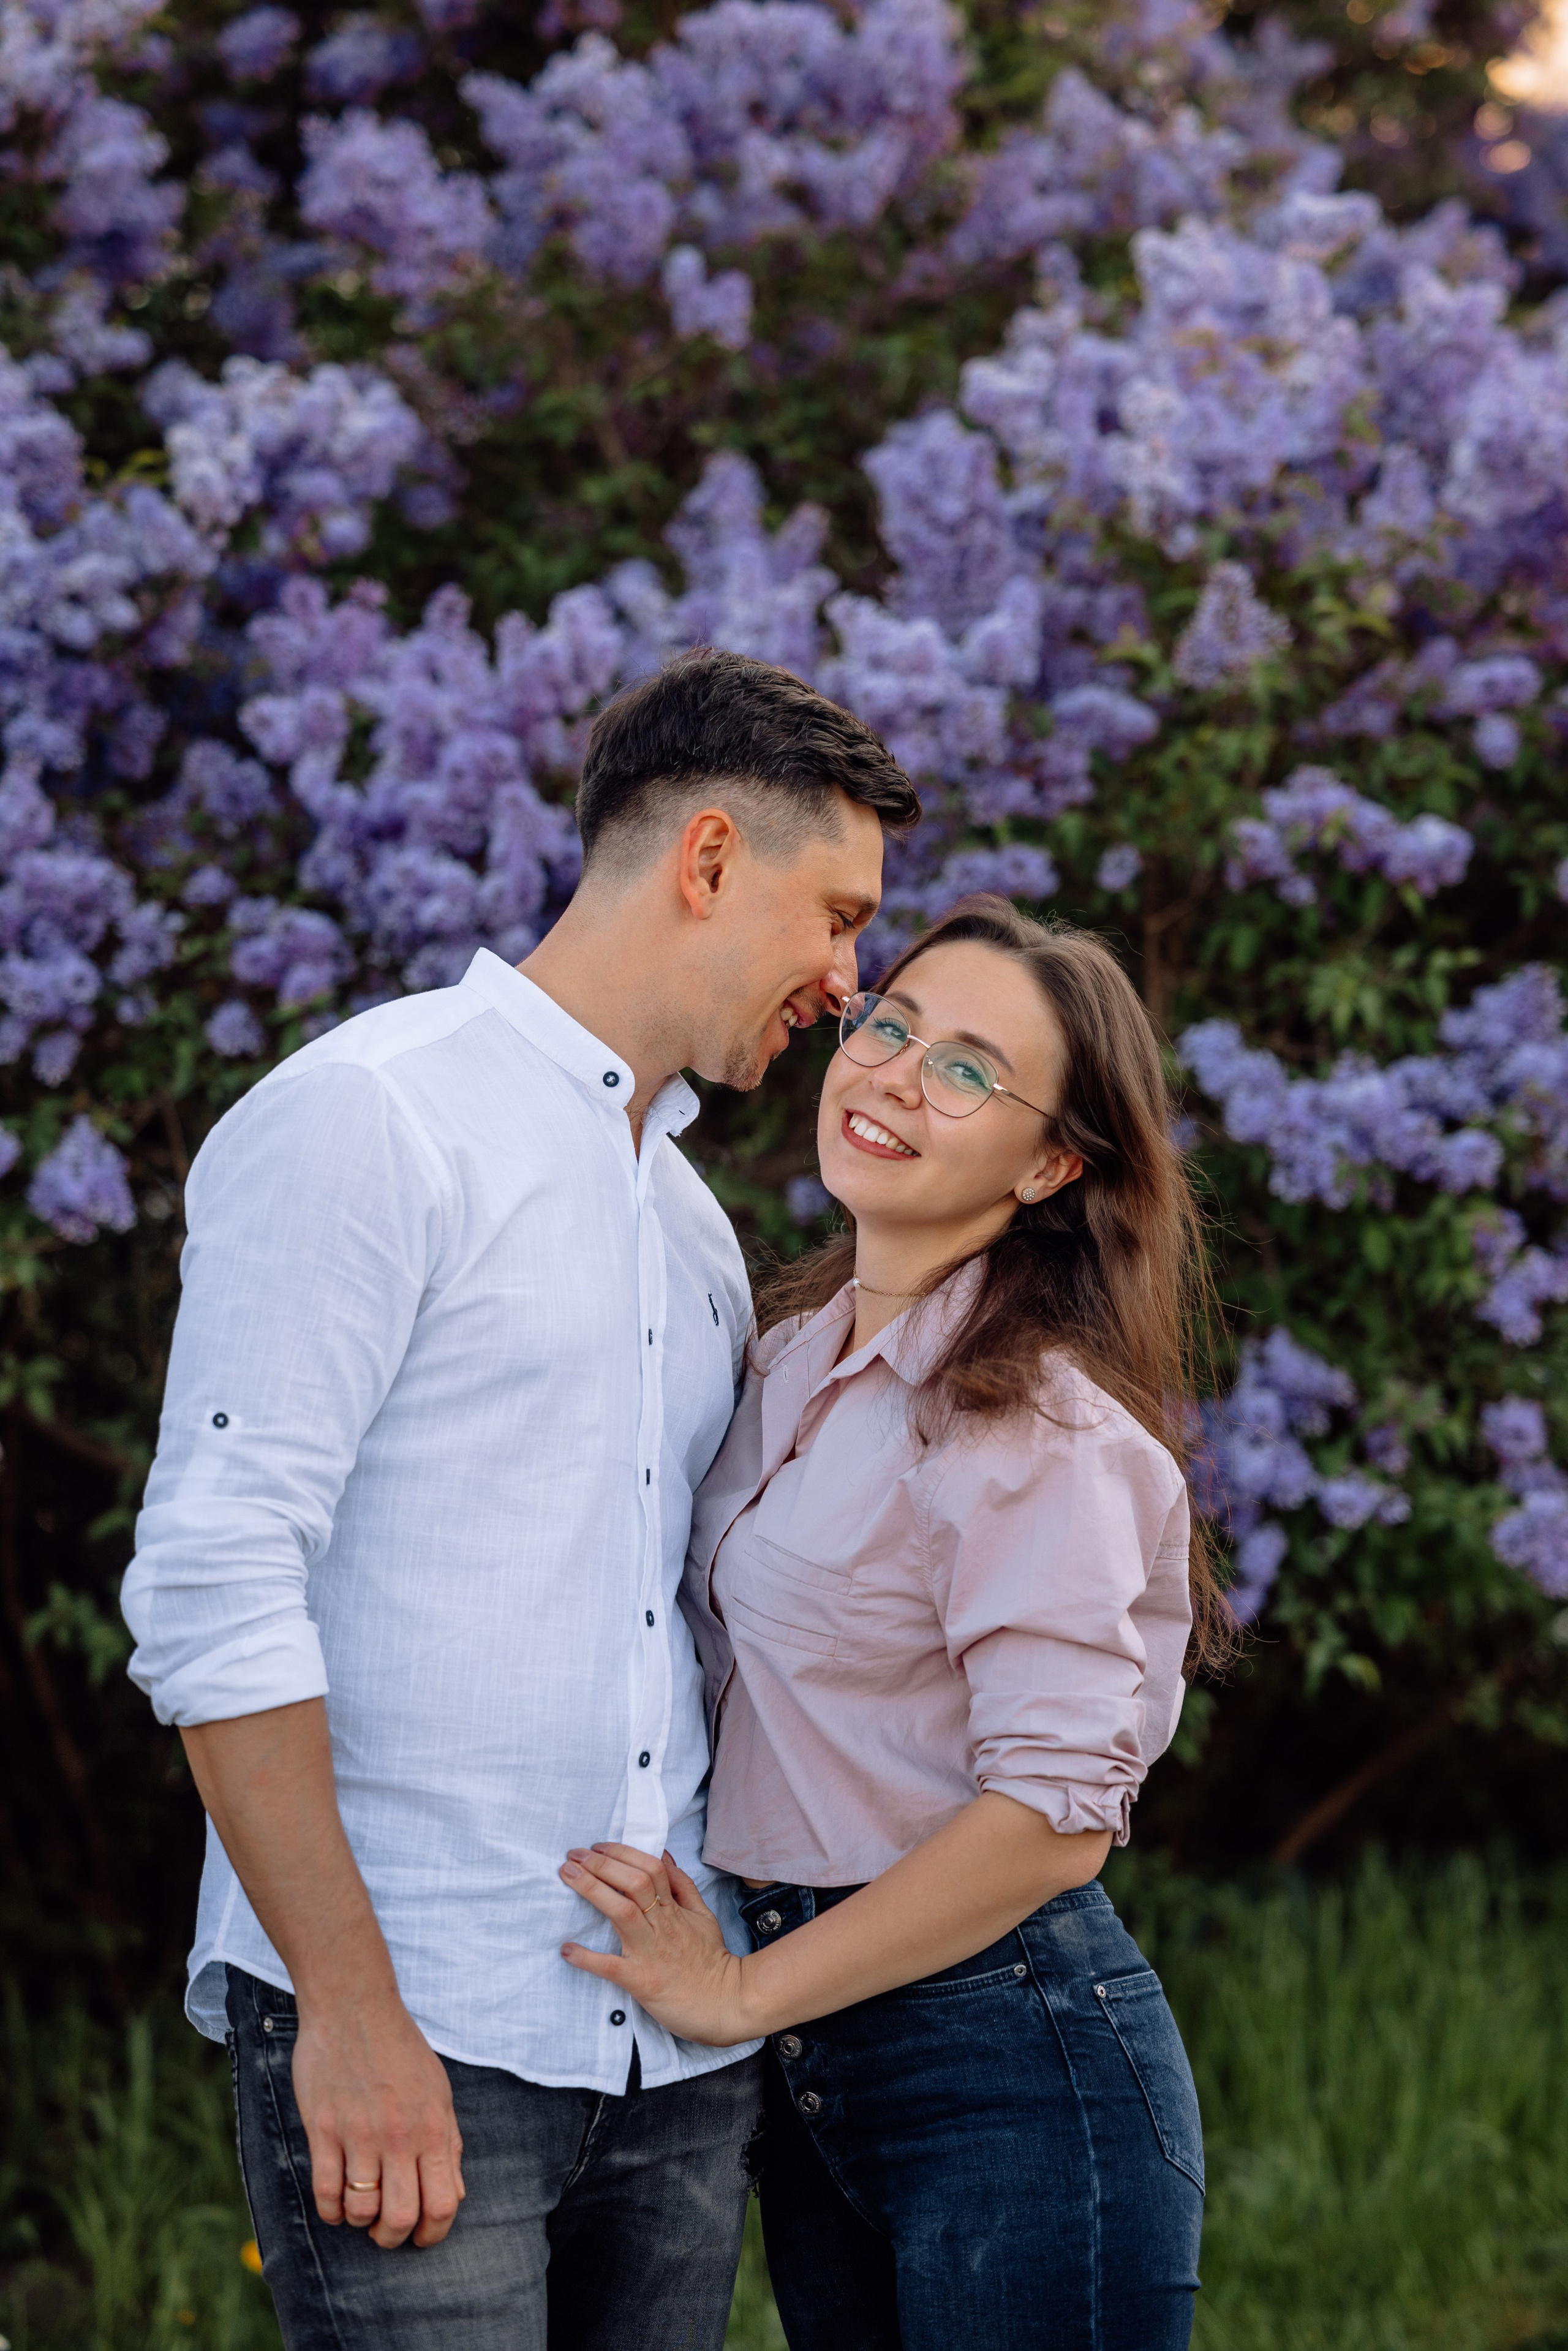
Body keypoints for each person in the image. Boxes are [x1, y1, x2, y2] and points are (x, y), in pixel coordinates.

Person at [121, 647, 920, 2351]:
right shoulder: (373, 1116)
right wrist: (345, 2004)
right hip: (419, 2028)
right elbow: (213, 1579)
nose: (849, 981)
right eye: (837, 914)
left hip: (675, 2056)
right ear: (709, 858)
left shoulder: (692, 1222)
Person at [554, 895, 1231, 2351]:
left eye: (969, 1069)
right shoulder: (790, 1356)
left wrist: (741, 1988)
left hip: (1006, 2061)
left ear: (1052, 1161)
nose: (895, 1075)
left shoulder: (1033, 1425)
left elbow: (1055, 1813)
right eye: (890, 1025)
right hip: (822, 2065)